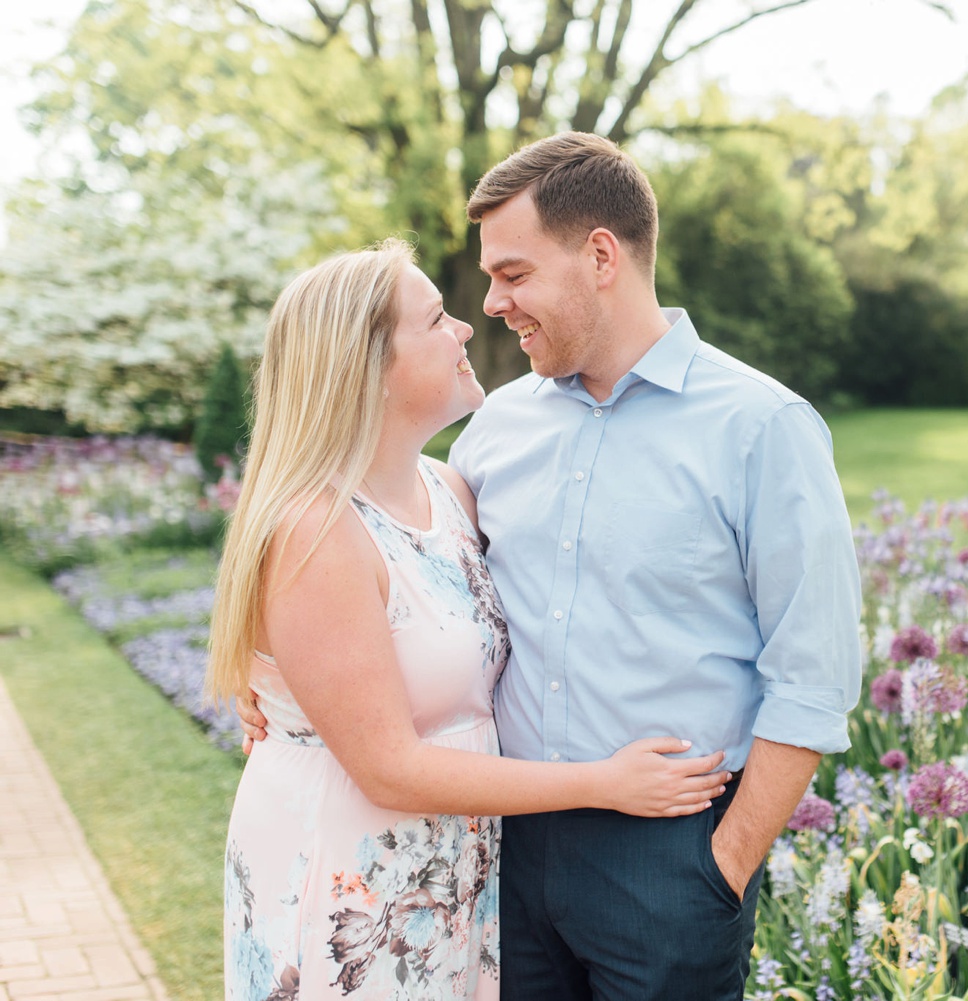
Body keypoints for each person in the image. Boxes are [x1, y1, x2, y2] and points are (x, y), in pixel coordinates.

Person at [243, 132, 863, 999]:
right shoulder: (497, 427)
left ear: (600, 255)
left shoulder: (763, 428)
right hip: (498, 846)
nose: (490, 303)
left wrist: (723, 863)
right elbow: (358, 536)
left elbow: (815, 675)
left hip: (668, 858)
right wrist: (275, 675)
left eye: (514, 273)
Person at [211, 238, 730, 1001]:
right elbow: (386, 765)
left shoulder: (448, 490)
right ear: (368, 366)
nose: (464, 328)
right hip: (349, 879)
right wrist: (605, 782)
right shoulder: (313, 530)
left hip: (446, 873)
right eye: (435, 319)